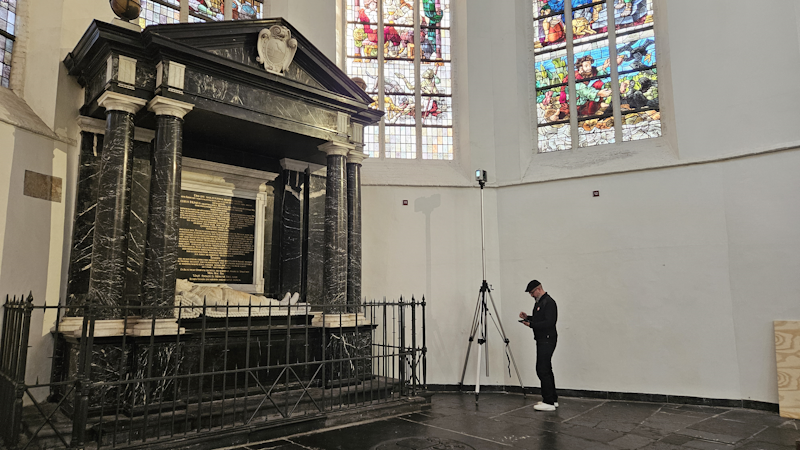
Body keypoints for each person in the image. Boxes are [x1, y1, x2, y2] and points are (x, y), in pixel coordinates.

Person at [519, 279, 558, 411]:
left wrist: (532, 325)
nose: (531, 295)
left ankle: (548, 402)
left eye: (532, 292)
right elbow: (540, 319)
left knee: (542, 369)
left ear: (538, 289)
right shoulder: (540, 302)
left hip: (547, 339)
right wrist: (528, 318)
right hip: (542, 339)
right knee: (546, 368)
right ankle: (553, 399)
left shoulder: (549, 302)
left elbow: (549, 323)